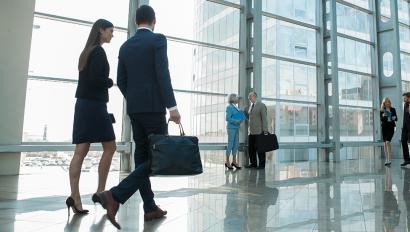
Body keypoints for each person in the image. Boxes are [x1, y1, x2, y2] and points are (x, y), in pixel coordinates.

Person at [96, 5, 181, 229]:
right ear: (154, 21)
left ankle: (150, 207)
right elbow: (163, 74)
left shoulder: (125, 47)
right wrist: (172, 107)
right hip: (154, 110)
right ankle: (114, 195)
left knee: (143, 158)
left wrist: (134, 99)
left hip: (135, 110)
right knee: (156, 158)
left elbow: (121, 81)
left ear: (135, 22)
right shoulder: (158, 40)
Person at [66, 19, 116, 217]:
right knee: (110, 147)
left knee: (81, 150)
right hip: (94, 106)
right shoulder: (98, 51)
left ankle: (75, 196)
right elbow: (96, 80)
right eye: (111, 31)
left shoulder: (87, 51)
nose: (112, 34)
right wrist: (110, 82)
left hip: (84, 105)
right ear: (101, 30)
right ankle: (100, 192)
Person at [245, 92, 268, 169]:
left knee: (260, 149)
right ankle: (253, 163)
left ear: (254, 96)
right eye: (248, 97)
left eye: (250, 96)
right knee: (251, 149)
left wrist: (265, 130)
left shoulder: (261, 105)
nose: (249, 98)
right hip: (251, 131)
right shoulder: (250, 107)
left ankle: (262, 165)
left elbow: (264, 119)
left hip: (259, 131)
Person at [225, 93, 243, 170]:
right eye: (236, 98)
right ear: (233, 98)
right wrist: (236, 121)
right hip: (231, 128)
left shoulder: (237, 107)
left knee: (236, 145)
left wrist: (240, 119)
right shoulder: (229, 107)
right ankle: (227, 162)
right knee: (230, 144)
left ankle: (234, 161)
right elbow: (227, 118)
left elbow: (239, 117)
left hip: (236, 128)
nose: (238, 99)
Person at [380, 97, 397, 166]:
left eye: (388, 102)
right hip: (384, 128)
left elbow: (396, 118)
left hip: (391, 127)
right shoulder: (382, 110)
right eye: (386, 102)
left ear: (389, 102)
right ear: (384, 103)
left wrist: (394, 118)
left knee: (387, 142)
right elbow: (381, 119)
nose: (387, 103)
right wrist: (384, 116)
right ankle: (386, 159)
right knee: (385, 143)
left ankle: (389, 159)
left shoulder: (393, 109)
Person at [402, 92, 410, 167]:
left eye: (405, 98)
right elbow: (405, 116)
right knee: (403, 140)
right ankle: (407, 159)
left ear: (408, 97)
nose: (404, 99)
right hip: (405, 128)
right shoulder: (405, 105)